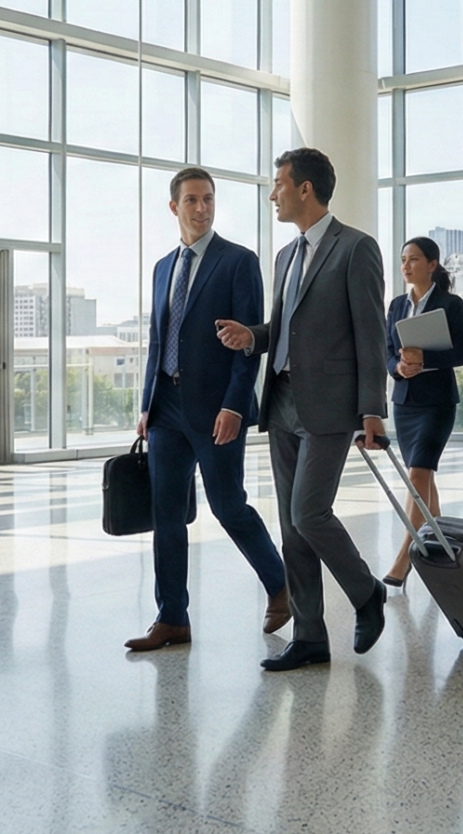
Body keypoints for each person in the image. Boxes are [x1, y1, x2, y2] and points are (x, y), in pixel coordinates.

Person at [215, 147, 390, 672]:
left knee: (308, 512)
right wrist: (254, 336)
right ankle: (311, 637)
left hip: (332, 406)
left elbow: (370, 334)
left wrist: (372, 410)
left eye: (279, 185)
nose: (273, 194)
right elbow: (284, 329)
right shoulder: (285, 257)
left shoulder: (356, 249)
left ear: (305, 189)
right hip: (283, 400)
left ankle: (367, 594)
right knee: (292, 528)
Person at [125, 168, 291, 653]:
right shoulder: (162, 267)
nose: (202, 208)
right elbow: (159, 340)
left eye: (209, 199)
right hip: (166, 409)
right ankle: (171, 617)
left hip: (218, 408)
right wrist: (146, 406)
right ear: (174, 207)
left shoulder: (238, 261)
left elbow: (249, 343)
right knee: (166, 515)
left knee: (227, 505)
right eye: (192, 200)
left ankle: (280, 585)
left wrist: (235, 406)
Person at [380, 235, 463, 588]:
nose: (406, 266)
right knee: (421, 480)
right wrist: (398, 368)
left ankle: (405, 557)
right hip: (404, 402)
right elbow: (388, 351)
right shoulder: (395, 306)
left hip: (436, 403)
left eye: (414, 259)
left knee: (418, 475)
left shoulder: (450, 304)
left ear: (432, 265)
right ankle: (437, 531)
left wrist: (425, 359)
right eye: (404, 260)